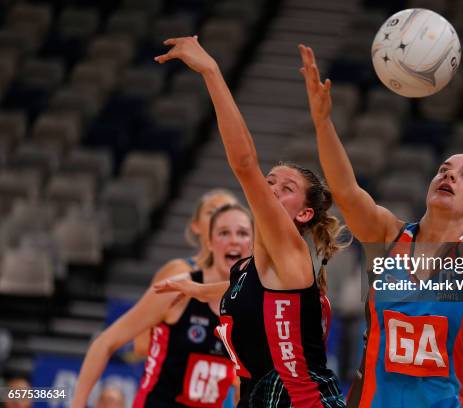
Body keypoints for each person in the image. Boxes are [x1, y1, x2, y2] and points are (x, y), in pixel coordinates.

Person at [298, 32, 463, 407]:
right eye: (443, 169)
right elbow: (345, 192)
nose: (448, 176)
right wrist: (323, 122)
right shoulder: (388, 236)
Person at [154, 35, 347, 407]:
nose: (270, 188)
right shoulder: (249, 268)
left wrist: (210, 71)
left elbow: (244, 165)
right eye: (269, 181)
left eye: (285, 187)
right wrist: (196, 290)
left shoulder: (291, 250)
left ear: (304, 213)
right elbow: (242, 291)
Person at [72, 202, 253, 408]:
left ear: (253, 243)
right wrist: (77, 404)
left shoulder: (247, 305)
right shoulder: (178, 288)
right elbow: (104, 343)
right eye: (224, 233)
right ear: (209, 242)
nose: (234, 241)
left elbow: (241, 385)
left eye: (242, 233)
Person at [132, 189, 238, 357]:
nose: (220, 219)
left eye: (227, 211)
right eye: (212, 212)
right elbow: (141, 342)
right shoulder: (179, 271)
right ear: (195, 226)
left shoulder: (248, 281)